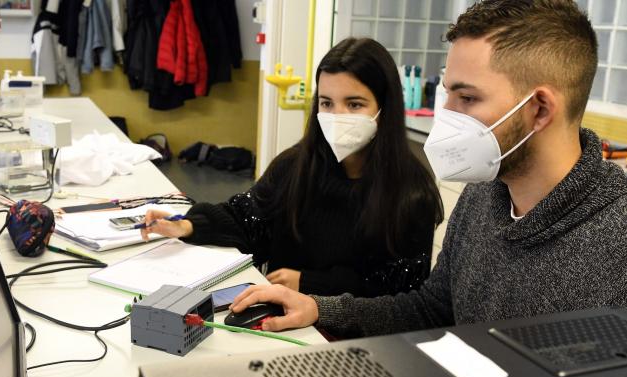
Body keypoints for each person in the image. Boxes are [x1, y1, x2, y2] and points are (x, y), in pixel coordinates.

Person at [229, 0, 627, 339]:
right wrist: (319, 307)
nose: (446, 115)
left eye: (467, 98)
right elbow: (434, 307)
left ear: (539, 110)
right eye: (447, 94)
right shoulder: (484, 197)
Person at [140, 38, 443, 297]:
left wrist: (311, 284)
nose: (336, 116)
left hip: (353, 339)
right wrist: (188, 224)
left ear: (384, 107)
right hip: (281, 319)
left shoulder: (412, 192)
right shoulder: (294, 166)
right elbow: (248, 218)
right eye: (326, 103)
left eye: (354, 105)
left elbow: (401, 291)